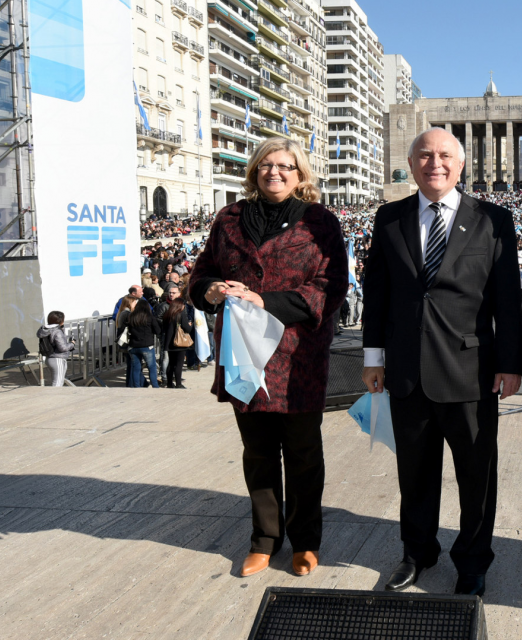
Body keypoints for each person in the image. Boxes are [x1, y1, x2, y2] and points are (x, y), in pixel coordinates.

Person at [360, 127, 522, 599]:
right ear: (411, 165)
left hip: (471, 372)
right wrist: (373, 357)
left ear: (461, 164)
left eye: (445, 155)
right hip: (406, 371)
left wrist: (511, 362)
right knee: (414, 475)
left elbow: (507, 298)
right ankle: (417, 553)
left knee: (476, 477)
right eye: (425, 155)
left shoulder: (493, 219)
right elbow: (377, 293)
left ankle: (472, 561)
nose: (435, 163)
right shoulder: (389, 217)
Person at [187, 136, 349, 578]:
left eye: (284, 166)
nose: (274, 172)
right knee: (257, 452)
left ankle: (305, 541)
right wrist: (212, 290)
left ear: (300, 175)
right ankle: (264, 539)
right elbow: (202, 274)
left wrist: (267, 301)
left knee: (303, 454)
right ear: (254, 170)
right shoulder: (229, 218)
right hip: (242, 354)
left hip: (297, 359)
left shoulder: (320, 221)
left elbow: (331, 286)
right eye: (265, 165)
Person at [160, 286, 194, 389]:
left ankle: (170, 383)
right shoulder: (181, 314)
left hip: (169, 342)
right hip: (179, 343)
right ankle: (178, 383)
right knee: (179, 364)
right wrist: (190, 324)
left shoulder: (168, 314)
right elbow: (187, 328)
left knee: (171, 363)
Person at [125, 296, 163, 388]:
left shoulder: (131, 317)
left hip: (133, 345)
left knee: (136, 368)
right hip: (147, 345)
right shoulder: (150, 317)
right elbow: (157, 331)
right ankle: (155, 386)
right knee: (151, 367)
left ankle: (137, 387)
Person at [37, 311, 74, 387]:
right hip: (58, 359)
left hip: (50, 358)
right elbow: (63, 348)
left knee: (57, 382)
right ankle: (54, 395)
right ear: (61, 320)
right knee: (57, 384)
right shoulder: (57, 331)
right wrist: (72, 344)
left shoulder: (45, 329)